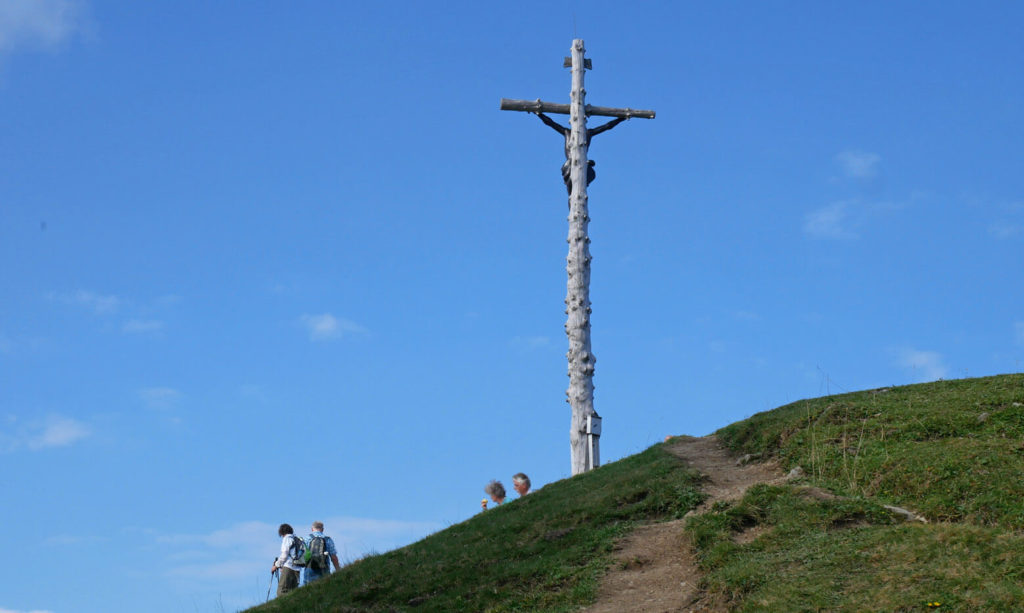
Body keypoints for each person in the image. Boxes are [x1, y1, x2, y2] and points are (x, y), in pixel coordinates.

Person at [533, 111, 628, 196]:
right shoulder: (567, 132)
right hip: (569, 164)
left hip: (582, 164)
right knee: (571, 192)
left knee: (580, 188)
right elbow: (550, 123)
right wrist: (539, 114)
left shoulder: (588, 133)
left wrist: (620, 119)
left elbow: (607, 126)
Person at [303, 521, 343, 585]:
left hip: (309, 567)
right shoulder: (328, 539)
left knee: (308, 589)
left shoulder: (307, 539)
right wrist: (338, 569)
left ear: (312, 529)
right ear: (322, 529)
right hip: (324, 567)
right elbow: (333, 557)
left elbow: (302, 555)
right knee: (324, 588)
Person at [271, 523, 303, 597]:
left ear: (281, 532)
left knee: (281, 591)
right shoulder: (296, 539)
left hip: (288, 567)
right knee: (293, 591)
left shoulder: (287, 539)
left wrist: (276, 565)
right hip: (297, 568)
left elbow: (284, 554)